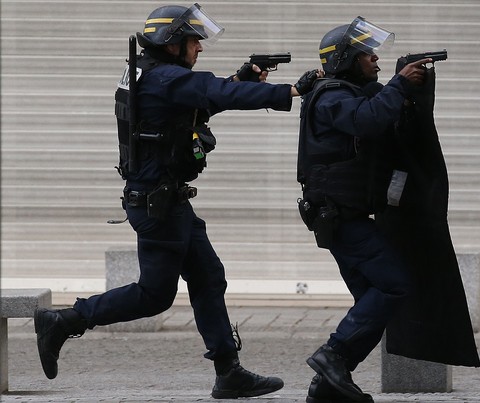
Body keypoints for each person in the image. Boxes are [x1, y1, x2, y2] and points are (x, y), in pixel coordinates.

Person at [33, 3, 318, 399]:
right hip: (158, 205)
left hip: (166, 200)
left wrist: (240, 78)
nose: (199, 48)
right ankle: (64, 320)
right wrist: (289, 90)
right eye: (193, 41)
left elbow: (198, 102)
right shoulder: (164, 78)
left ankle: (228, 371)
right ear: (171, 44)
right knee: (154, 295)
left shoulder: (151, 74)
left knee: (208, 277)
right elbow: (209, 92)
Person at [296, 17, 480, 402]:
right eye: (368, 54)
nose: (375, 60)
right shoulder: (332, 97)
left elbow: (387, 111)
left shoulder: (350, 91)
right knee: (393, 286)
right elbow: (369, 120)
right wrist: (398, 83)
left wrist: (407, 82)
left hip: (348, 217)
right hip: (341, 219)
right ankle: (331, 357)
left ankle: (328, 383)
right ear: (347, 59)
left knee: (373, 303)